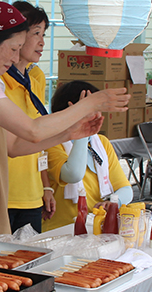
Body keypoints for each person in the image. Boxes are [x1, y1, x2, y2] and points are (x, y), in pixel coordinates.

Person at [0, 0, 128, 257]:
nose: (16, 58)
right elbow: (32, 129)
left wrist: (68, 134)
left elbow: (15, 146)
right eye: (13, 48)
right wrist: (90, 104)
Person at [43, 80, 133, 232]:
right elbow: (73, 174)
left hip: (96, 227)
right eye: (93, 110)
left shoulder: (101, 143)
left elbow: (125, 189)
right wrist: (82, 131)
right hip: (62, 230)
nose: (99, 115)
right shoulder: (51, 142)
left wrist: (111, 202)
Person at [2, 1, 55, 233]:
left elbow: (38, 137)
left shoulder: (36, 79)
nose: (42, 42)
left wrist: (46, 187)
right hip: (3, 195)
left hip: (32, 195)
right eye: (35, 34)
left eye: (43, 34)